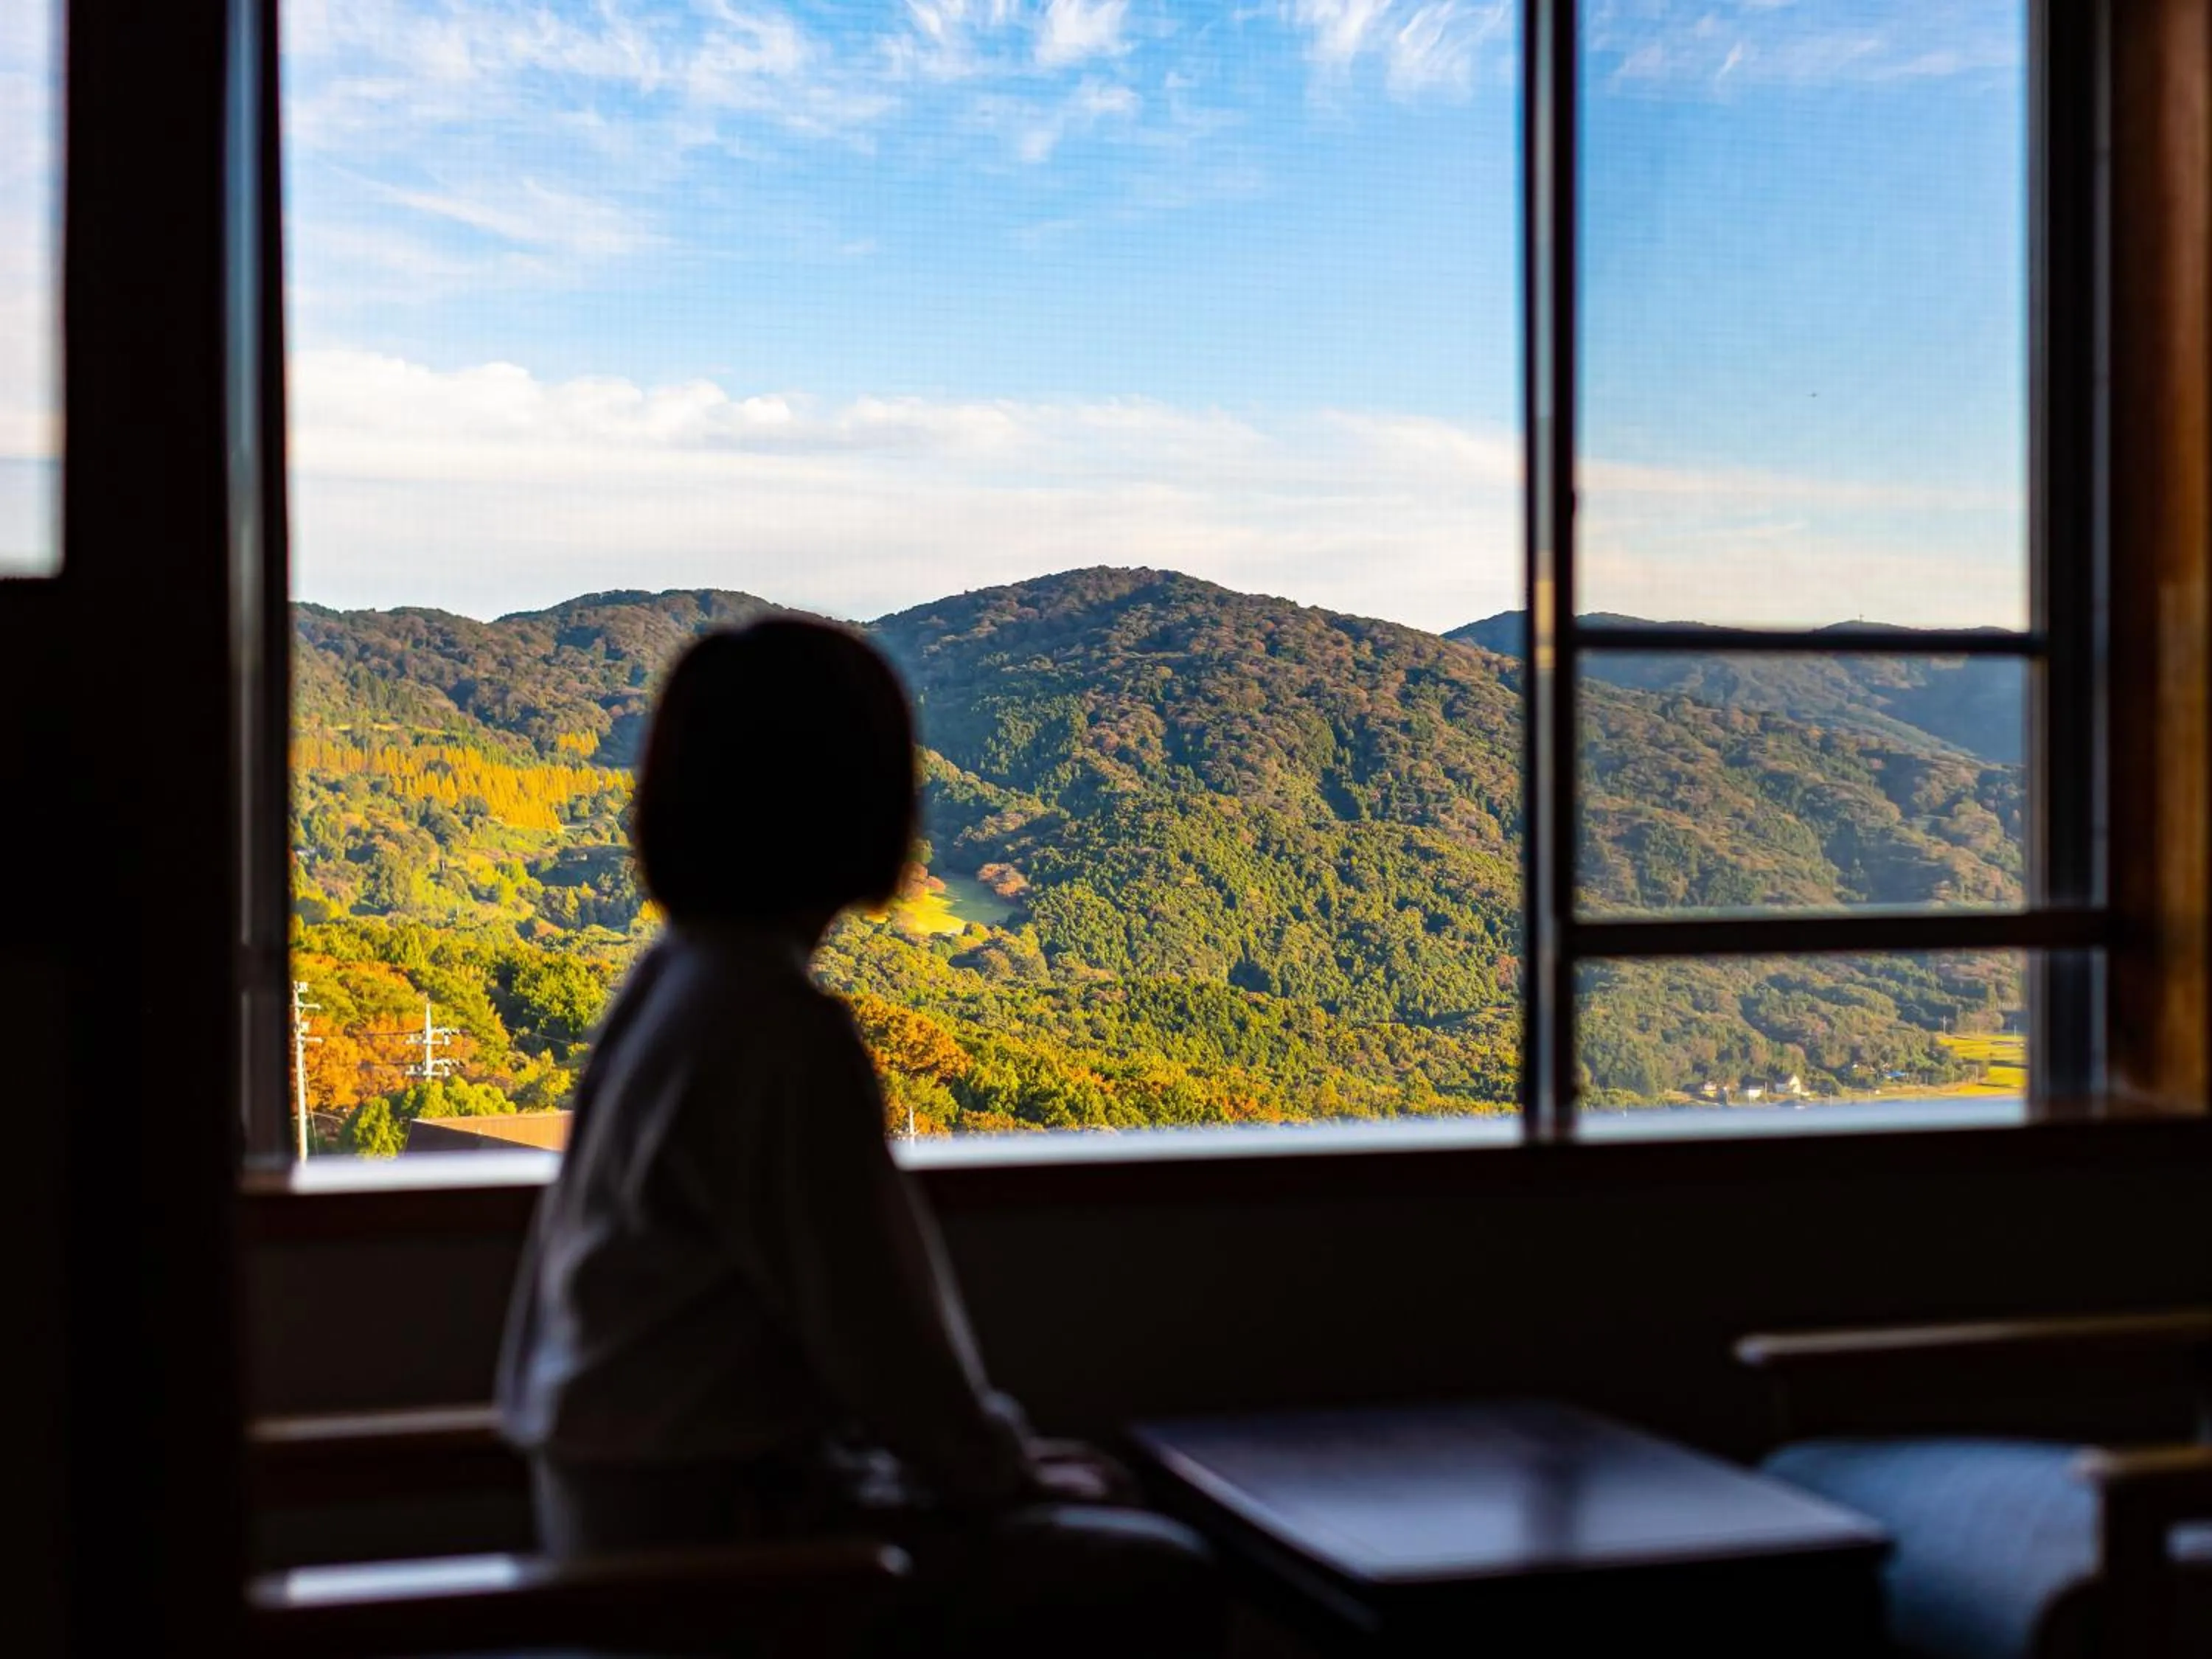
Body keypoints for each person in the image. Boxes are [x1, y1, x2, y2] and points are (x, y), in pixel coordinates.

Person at [496, 618, 1222, 1656]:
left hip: (621, 1519)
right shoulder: (778, 1027)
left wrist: (987, 1463)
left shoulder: (669, 979)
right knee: (1159, 1572)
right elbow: (885, 1341)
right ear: (856, 802)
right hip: (734, 1549)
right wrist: (1005, 1470)